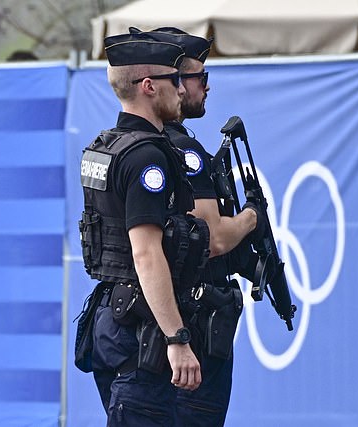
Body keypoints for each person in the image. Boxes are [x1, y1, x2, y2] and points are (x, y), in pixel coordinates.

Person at [76, 30, 210, 426]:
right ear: (149, 87)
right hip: (142, 334)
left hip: (113, 321)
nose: (182, 91)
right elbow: (146, 253)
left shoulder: (108, 146)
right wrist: (176, 338)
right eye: (174, 80)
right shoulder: (147, 158)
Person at [134, 27, 262, 426]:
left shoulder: (139, 143)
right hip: (190, 325)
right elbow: (215, 239)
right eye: (197, 78)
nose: (206, 87)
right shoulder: (182, 151)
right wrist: (253, 217)